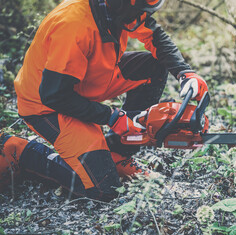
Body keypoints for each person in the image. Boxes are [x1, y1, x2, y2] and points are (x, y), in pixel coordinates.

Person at [0, 0, 208, 201]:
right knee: (103, 189)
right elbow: (54, 95)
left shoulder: (123, 9)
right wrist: (112, 117)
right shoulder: (73, 25)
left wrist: (184, 72)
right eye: (137, 12)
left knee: (153, 67)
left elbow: (155, 36)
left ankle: (117, 153)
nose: (140, 19)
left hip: (85, 82)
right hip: (47, 105)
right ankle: (19, 151)